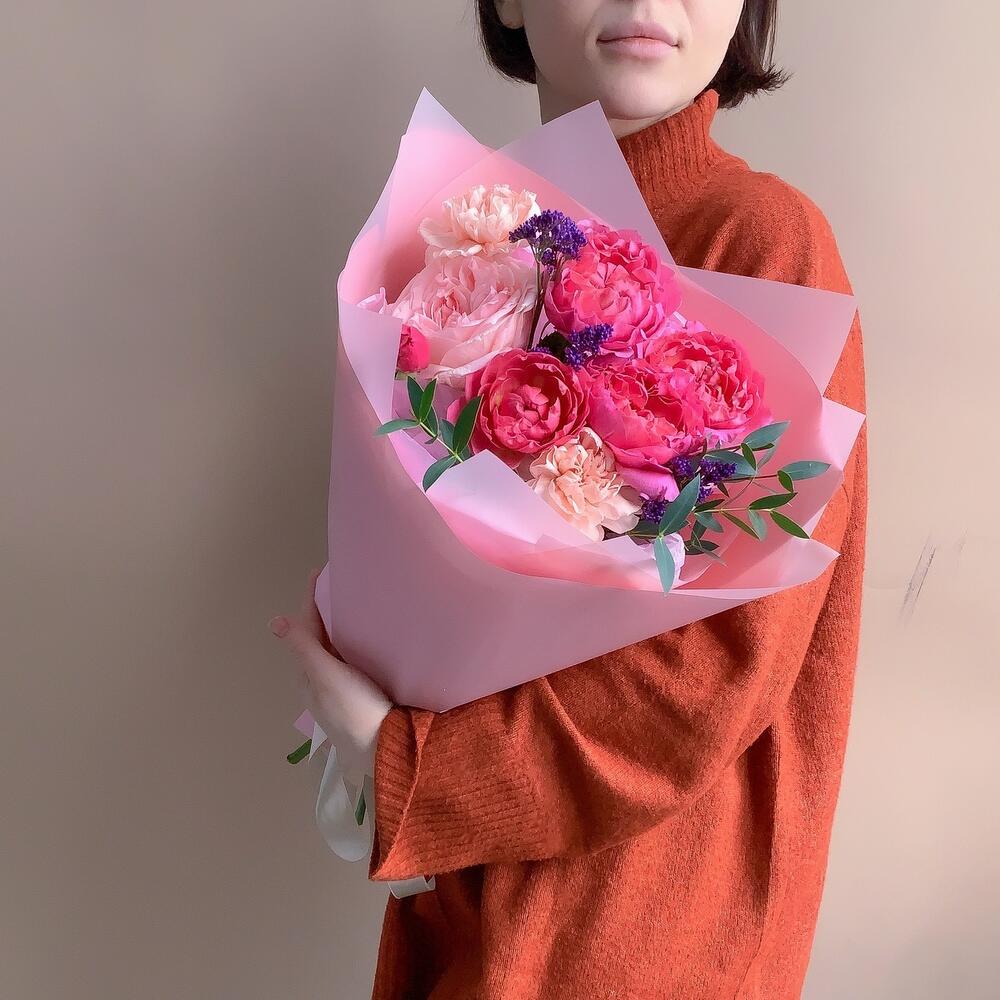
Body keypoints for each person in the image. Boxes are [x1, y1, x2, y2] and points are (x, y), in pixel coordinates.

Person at [268, 1, 868, 996]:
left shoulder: (761, 238)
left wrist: (409, 767)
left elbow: (711, 676)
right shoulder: (473, 237)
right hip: (464, 902)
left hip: (645, 925)